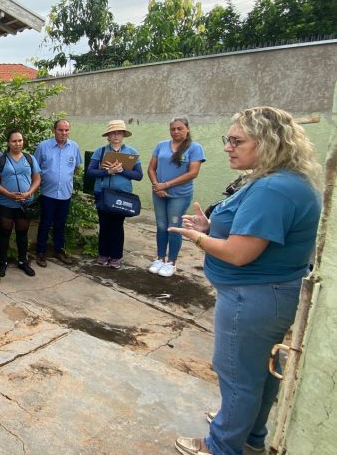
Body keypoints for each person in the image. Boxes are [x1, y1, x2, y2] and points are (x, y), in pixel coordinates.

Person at [170, 107, 323, 455]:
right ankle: (251, 433)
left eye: (237, 141)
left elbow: (240, 253)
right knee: (261, 370)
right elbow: (254, 232)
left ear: (268, 142)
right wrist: (212, 227)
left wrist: (198, 239)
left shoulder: (273, 188)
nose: (228, 147)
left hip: (252, 298)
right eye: (228, 139)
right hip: (269, 295)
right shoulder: (285, 180)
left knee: (238, 374)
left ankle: (222, 445)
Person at [147, 117, 206, 277]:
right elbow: (151, 168)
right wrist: (157, 186)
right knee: (161, 226)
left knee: (174, 227)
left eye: (180, 128)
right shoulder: (161, 145)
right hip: (159, 193)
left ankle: (171, 263)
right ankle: (160, 258)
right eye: (173, 129)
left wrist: (165, 185)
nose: (176, 131)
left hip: (179, 195)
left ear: (187, 129)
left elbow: (193, 173)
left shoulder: (195, 148)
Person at [86, 120, 143, 269]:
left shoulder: (131, 152)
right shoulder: (100, 151)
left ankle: (116, 257)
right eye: (113, 133)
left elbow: (139, 175)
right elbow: (90, 172)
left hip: (122, 195)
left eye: (119, 133)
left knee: (117, 226)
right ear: (108, 136)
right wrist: (108, 171)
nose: (116, 136)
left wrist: (122, 170)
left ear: (123, 135)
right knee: (104, 224)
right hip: (103, 193)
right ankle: (103, 254)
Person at [0, 129, 41, 277]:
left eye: (20, 140)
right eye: (14, 141)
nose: (17, 143)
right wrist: (8, 194)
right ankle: (3, 262)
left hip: (25, 204)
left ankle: (22, 261)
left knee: (22, 233)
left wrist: (29, 193)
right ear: (8, 143)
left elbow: (37, 178)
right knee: (4, 233)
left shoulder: (30, 158)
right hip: (5, 203)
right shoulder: (0, 160)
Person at [34, 119, 82, 266]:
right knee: (45, 223)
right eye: (60, 130)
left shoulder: (74, 147)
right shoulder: (43, 147)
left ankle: (59, 250)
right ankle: (40, 252)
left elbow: (76, 167)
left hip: (65, 194)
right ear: (54, 130)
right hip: (48, 193)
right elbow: (35, 168)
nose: (64, 133)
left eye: (66, 130)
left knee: (60, 224)